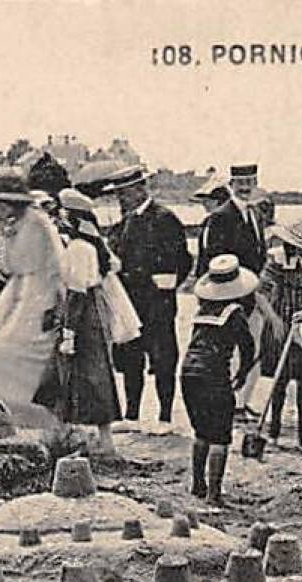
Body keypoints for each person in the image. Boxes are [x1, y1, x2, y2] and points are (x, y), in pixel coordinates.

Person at [0, 169, 66, 428]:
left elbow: (37, 264)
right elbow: (8, 264)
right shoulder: (14, 225)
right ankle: (3, 410)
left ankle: (30, 415)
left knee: (11, 351)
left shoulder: (36, 223)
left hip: (39, 292)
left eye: (0, 204)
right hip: (19, 290)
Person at [105, 165, 193, 428]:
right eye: (118, 193)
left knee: (163, 359)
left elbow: (183, 259)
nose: (120, 198)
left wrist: (169, 284)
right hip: (130, 302)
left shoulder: (164, 218)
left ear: (140, 189)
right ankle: (132, 414)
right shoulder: (122, 223)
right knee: (132, 357)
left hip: (157, 302)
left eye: (125, 192)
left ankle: (164, 417)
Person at [39, 189, 125, 457]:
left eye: (63, 215)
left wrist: (68, 331)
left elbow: (77, 291)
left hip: (81, 314)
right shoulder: (90, 247)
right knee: (94, 374)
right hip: (90, 314)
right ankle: (97, 436)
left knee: (79, 373)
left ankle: (69, 433)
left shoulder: (78, 249)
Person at [180, 254, 257, 507]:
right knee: (220, 435)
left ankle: (197, 483)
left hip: (189, 372)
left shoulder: (202, 311)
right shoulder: (234, 312)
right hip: (213, 374)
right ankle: (214, 493)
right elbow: (247, 347)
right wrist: (243, 372)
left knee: (201, 431)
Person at [256, 219, 302, 446]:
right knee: (279, 379)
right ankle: (273, 427)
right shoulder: (276, 258)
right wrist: (274, 320)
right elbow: (259, 293)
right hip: (280, 323)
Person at [197, 163, 266, 276]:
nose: (245, 187)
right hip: (230, 283)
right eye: (240, 183)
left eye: (249, 182)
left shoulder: (256, 214)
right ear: (231, 185)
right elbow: (214, 256)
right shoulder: (220, 216)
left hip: (252, 281)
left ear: (255, 184)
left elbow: (260, 250)